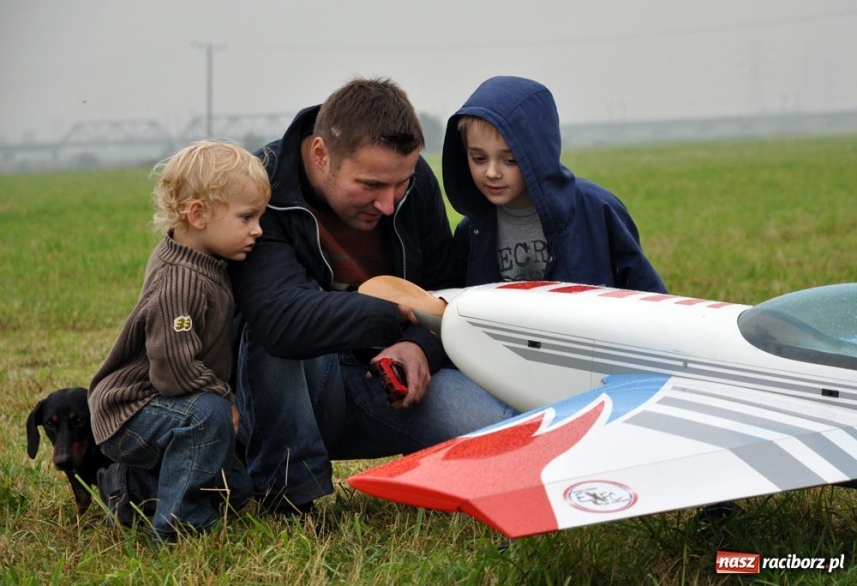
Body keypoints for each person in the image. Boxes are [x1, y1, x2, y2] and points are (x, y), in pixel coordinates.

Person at [229, 77, 515, 515]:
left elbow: (444, 293)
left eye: (398, 185)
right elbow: (278, 319)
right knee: (279, 334)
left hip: (384, 382)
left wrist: (418, 345)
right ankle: (288, 496)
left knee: (497, 431)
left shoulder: (412, 179)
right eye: (370, 185)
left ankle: (429, 475)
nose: (388, 203)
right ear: (322, 154)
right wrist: (394, 312)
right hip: (288, 392)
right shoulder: (259, 186)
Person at [88, 140, 271, 543]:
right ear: (199, 214)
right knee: (207, 415)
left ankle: (131, 493)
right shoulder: (180, 280)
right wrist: (224, 398)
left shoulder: (201, 258)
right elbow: (173, 371)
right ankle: (178, 527)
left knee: (236, 493)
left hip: (167, 402)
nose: (258, 229)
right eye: (247, 217)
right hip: (131, 409)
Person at [442, 75, 667, 292]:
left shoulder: (598, 210)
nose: (492, 172)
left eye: (510, 160)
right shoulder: (471, 232)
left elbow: (648, 297)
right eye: (479, 158)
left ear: (539, 154)